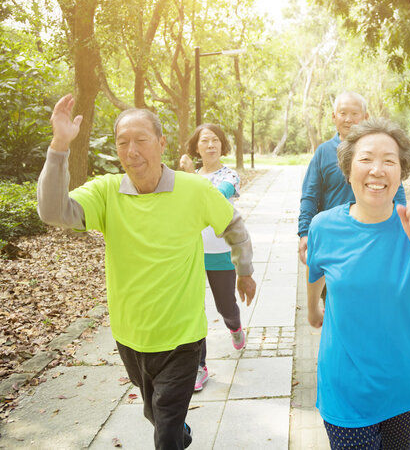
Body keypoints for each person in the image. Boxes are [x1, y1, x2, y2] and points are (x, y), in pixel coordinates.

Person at [37, 95, 256, 450]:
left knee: (165, 425)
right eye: (123, 142)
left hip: (183, 337)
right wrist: (60, 144)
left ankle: (174, 433)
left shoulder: (194, 190)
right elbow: (52, 211)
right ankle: (178, 432)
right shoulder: (107, 192)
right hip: (131, 336)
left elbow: (233, 224)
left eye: (141, 139)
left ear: (162, 143)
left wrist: (243, 270)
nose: (131, 149)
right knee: (156, 413)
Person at [306, 118, 410, 449]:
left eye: (389, 161)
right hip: (345, 387)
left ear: (401, 173)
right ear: (347, 169)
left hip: (405, 384)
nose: (377, 170)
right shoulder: (323, 227)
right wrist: (312, 310)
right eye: (366, 159)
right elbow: (316, 272)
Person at [297, 91, 406, 265]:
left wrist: (404, 228)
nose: (348, 119)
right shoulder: (323, 152)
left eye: (355, 114)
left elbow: (397, 193)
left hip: (376, 236)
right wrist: (304, 233)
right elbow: (310, 196)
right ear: (334, 116)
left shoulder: (381, 150)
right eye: (343, 113)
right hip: (334, 237)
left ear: (366, 116)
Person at [179, 123, 245, 392]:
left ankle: (235, 326)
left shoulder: (230, 176)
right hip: (192, 252)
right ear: (196, 147)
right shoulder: (187, 178)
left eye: (215, 140)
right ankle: (199, 367)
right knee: (194, 311)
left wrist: (187, 177)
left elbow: (214, 199)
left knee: (225, 306)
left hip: (221, 252)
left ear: (222, 145)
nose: (210, 145)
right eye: (205, 141)